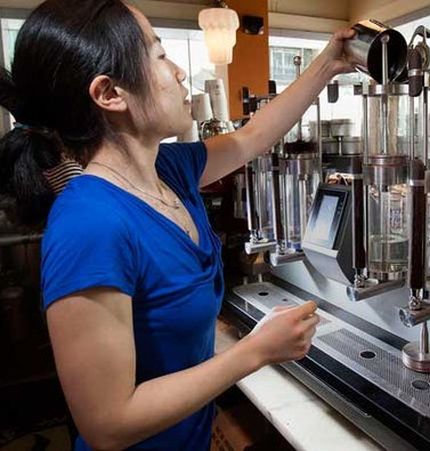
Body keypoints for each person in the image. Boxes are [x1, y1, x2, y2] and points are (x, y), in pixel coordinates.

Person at [0, 0, 355, 449]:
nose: (179, 73)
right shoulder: (90, 224)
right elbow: (108, 424)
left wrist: (328, 63)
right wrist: (257, 349)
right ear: (110, 94)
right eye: (159, 54)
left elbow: (252, 136)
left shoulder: (171, 170)